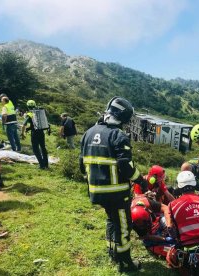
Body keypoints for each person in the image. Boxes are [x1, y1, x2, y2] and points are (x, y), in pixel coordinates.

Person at [79, 96, 148, 273]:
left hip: (96, 192)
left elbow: (81, 165)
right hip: (117, 193)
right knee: (124, 226)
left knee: (111, 220)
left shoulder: (88, 132)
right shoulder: (118, 135)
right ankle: (125, 263)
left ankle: (112, 252)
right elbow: (125, 166)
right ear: (123, 116)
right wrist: (140, 180)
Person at [21, 100, 49, 170]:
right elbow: (35, 124)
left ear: (27, 106)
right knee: (43, 148)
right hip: (41, 132)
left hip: (35, 133)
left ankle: (42, 165)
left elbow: (24, 125)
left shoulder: (30, 114)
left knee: (36, 149)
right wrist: (29, 128)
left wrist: (22, 133)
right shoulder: (39, 112)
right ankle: (46, 165)